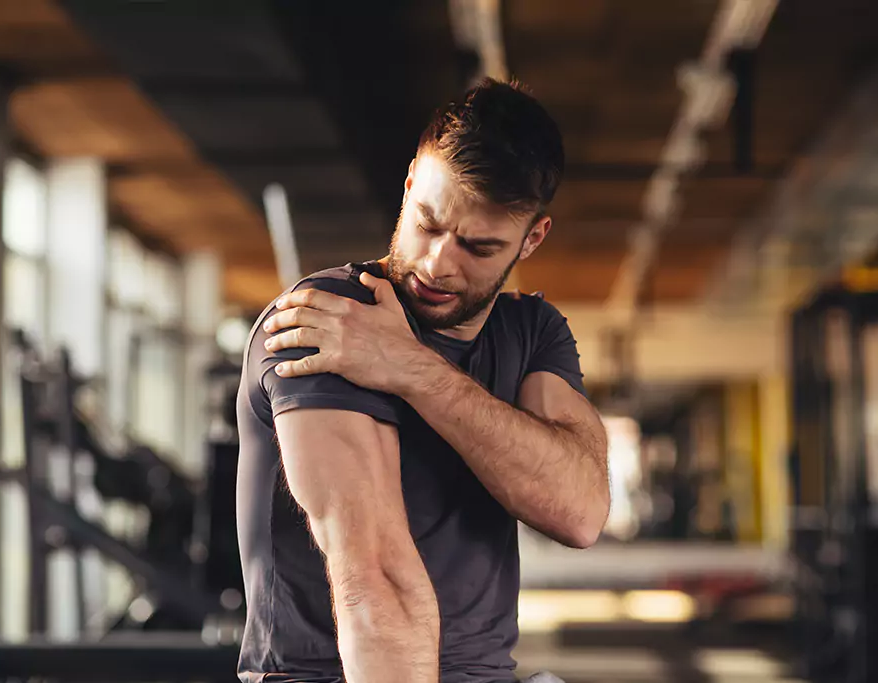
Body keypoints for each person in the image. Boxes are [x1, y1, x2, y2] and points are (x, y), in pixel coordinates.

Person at [235, 78, 610, 683]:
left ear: (532, 239)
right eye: (428, 223)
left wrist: (411, 369)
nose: (438, 262)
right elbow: (373, 578)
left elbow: (580, 510)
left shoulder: (531, 331)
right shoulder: (329, 318)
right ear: (410, 184)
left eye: (478, 247)